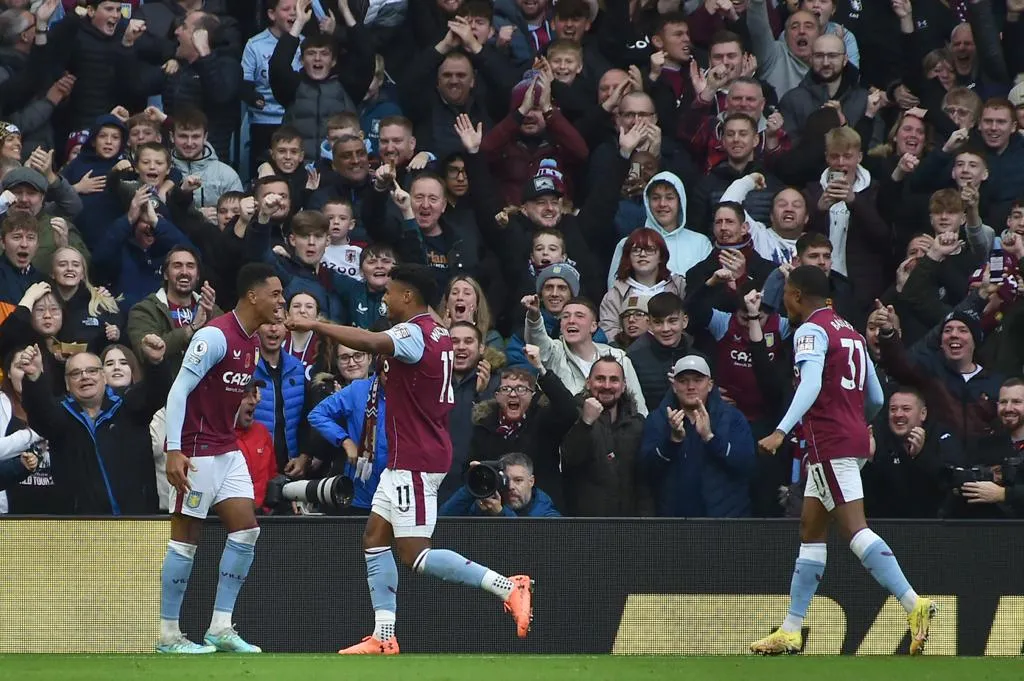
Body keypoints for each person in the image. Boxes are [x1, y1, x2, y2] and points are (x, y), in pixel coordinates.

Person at [285, 262, 533, 654]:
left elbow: (368, 341)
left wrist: (315, 326)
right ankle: (384, 637)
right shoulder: (436, 330)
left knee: (415, 554)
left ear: (407, 296)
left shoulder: (414, 333)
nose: (383, 298)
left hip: (415, 461)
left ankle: (507, 585)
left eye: (389, 292)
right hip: (414, 454)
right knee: (373, 539)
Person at [751, 265, 936, 655]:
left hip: (829, 442)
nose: (783, 300)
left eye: (786, 293)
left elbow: (813, 382)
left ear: (798, 295)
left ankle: (912, 603)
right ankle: (791, 628)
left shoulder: (810, 331)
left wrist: (782, 430)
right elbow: (876, 398)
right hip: (849, 437)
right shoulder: (850, 331)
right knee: (811, 529)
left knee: (854, 530)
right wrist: (857, 425)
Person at [157, 262, 285, 654]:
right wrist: (175, 448)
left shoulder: (250, 341)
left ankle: (220, 626)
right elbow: (178, 391)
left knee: (246, 530)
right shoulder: (214, 336)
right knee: (185, 540)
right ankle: (168, 634)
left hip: (226, 449)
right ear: (252, 295)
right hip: (195, 450)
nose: (281, 302)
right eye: (275, 294)